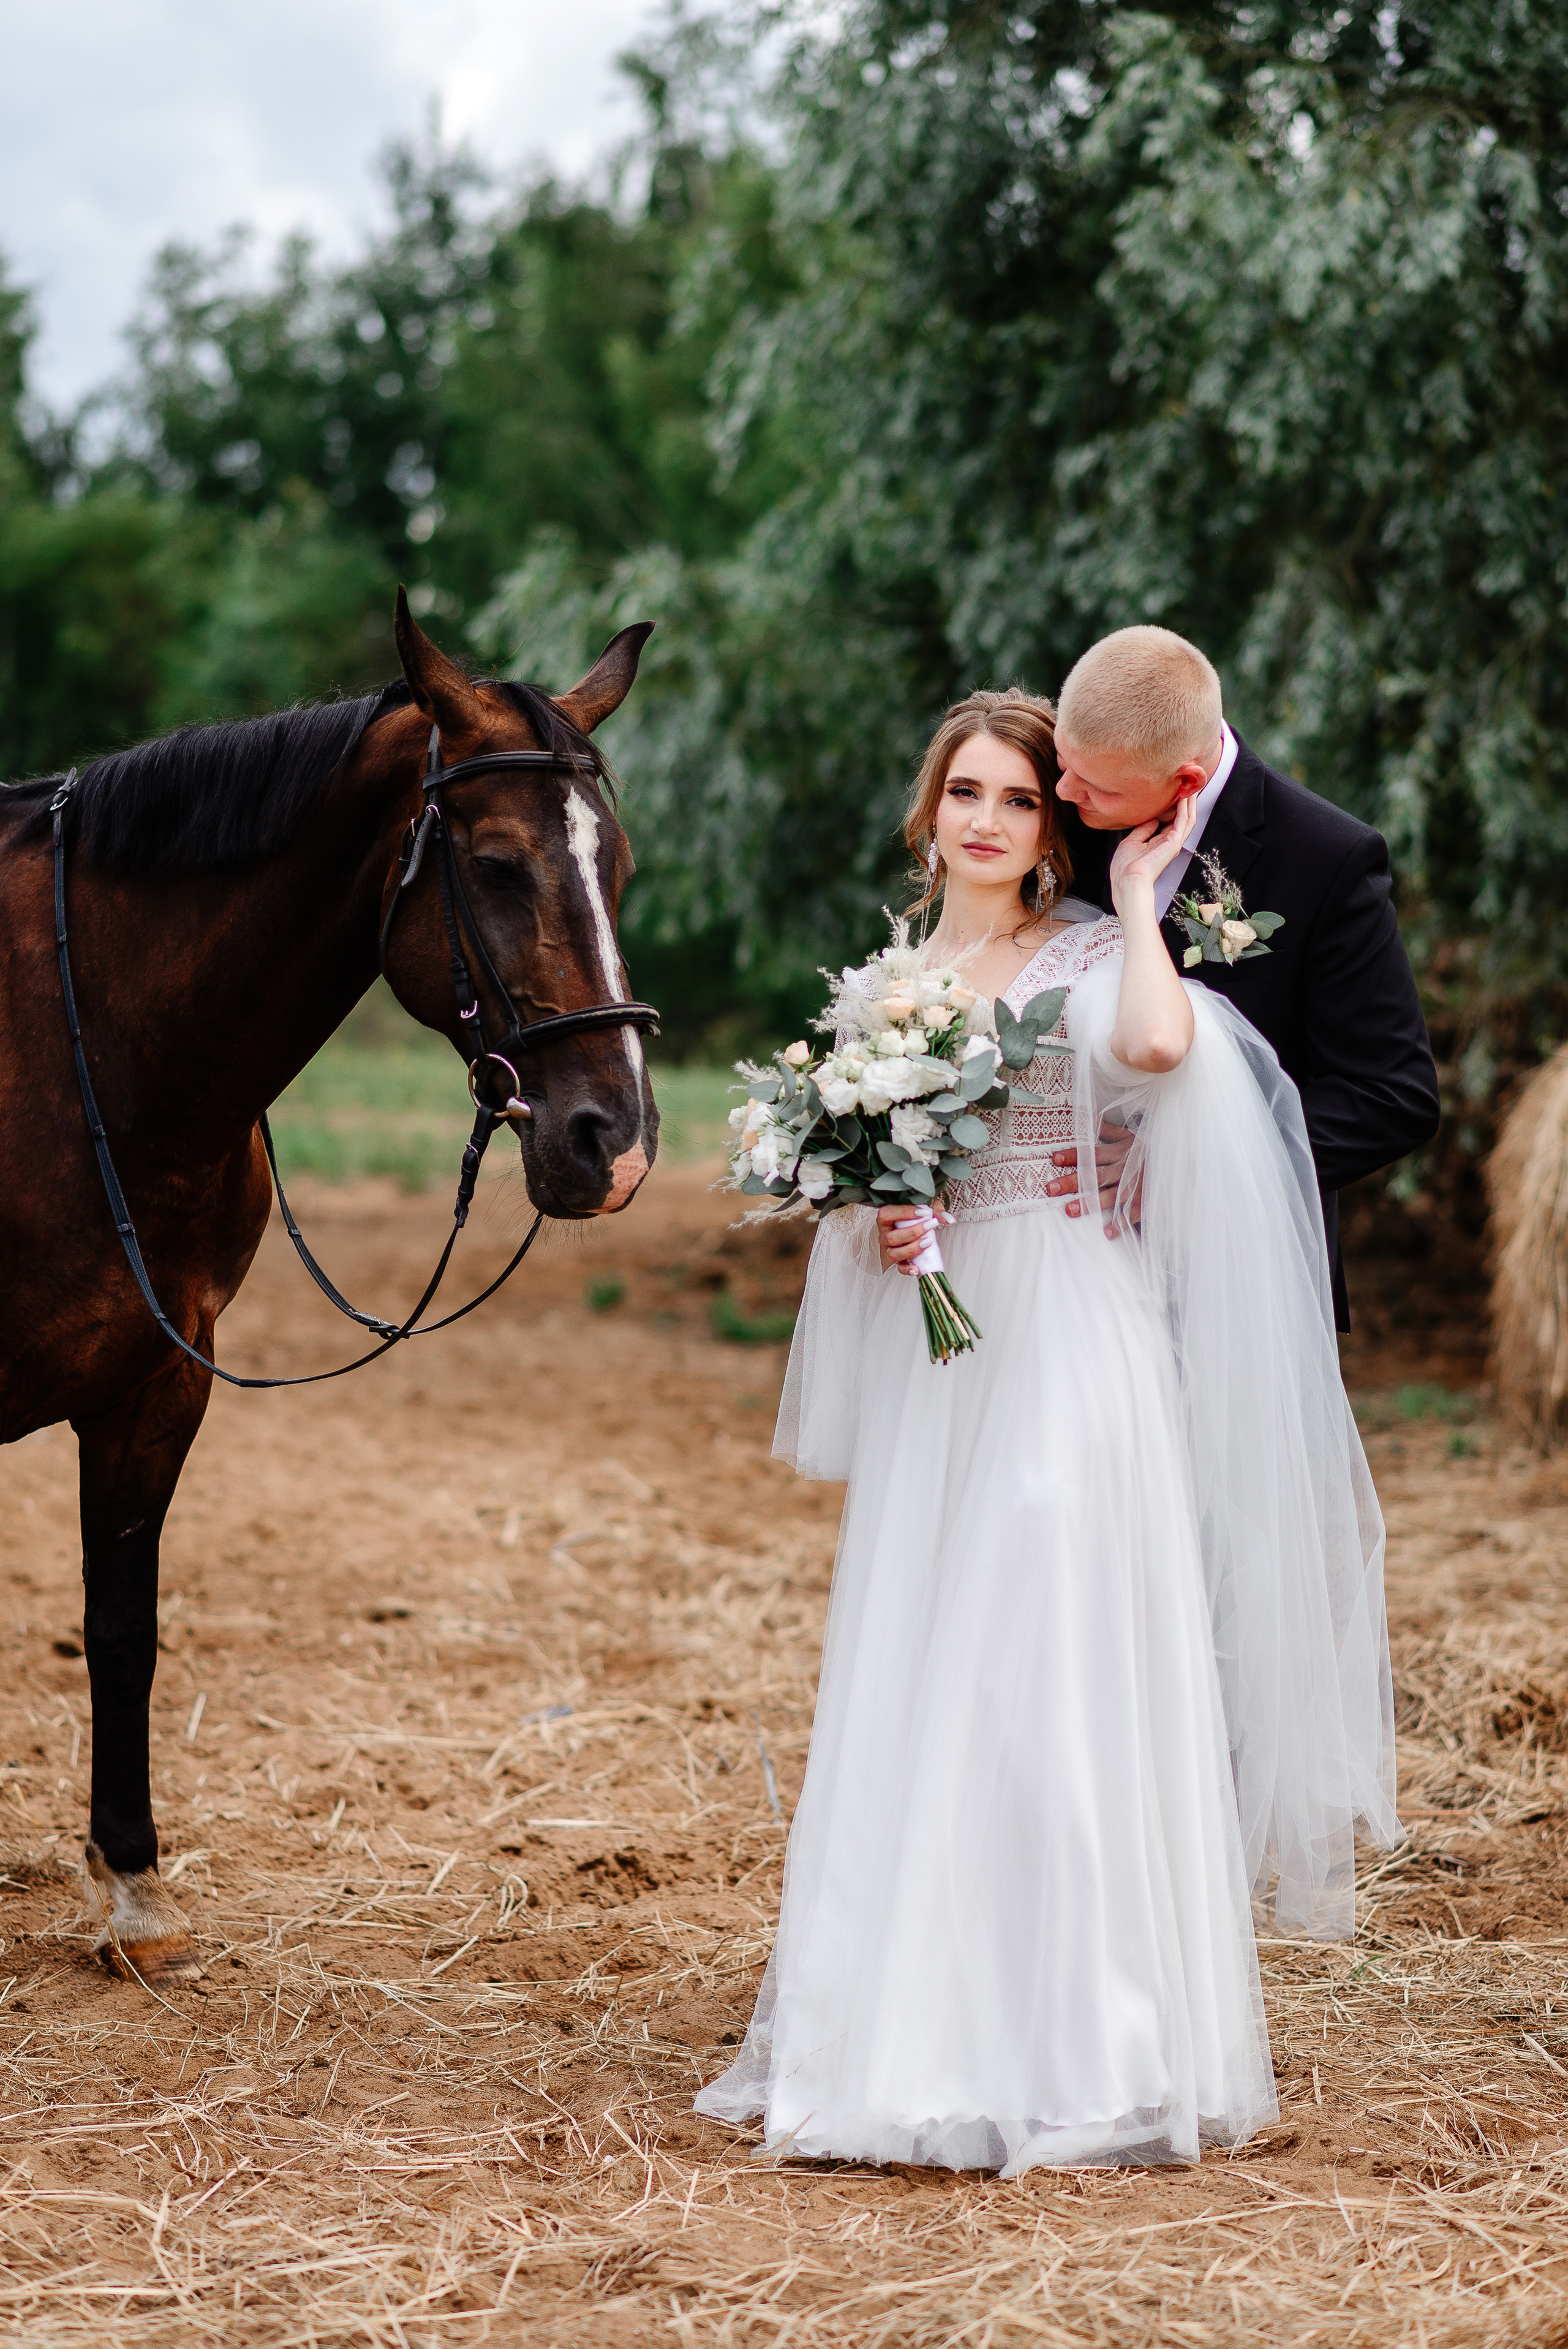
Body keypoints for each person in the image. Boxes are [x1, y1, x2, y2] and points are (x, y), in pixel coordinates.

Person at [695, 684, 1398, 2174]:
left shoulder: (1088, 952)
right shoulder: (889, 979)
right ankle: (914, 2020)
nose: (990, 820)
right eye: (967, 792)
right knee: (934, 1655)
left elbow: (1153, 1056)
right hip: (946, 1355)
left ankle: (1084, 2037)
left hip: (1076, 1330)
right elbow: (876, 1172)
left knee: (1048, 1647)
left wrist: (1139, 900)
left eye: (1019, 799)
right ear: (928, 809)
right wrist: (887, 1209)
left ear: (1047, 828)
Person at [1046, 626, 1439, 1330]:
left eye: (1093, 785)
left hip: (1234, 1282)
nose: (1061, 790)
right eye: (1061, 762)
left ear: (1186, 781)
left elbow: (1390, 1096)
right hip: (1056, 1262)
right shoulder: (1063, 807)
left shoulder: (1325, 858)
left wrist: (1180, 1168)